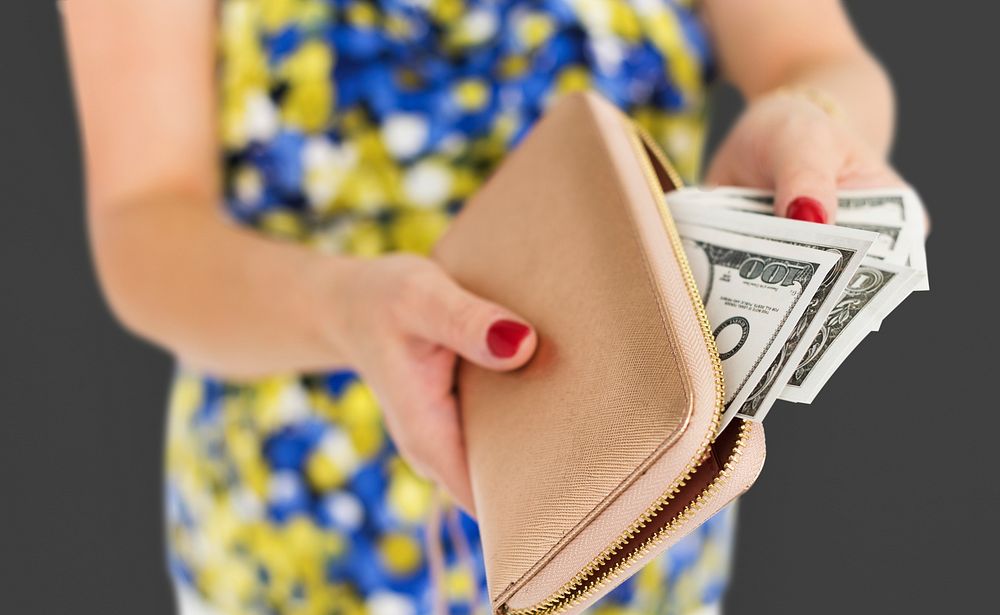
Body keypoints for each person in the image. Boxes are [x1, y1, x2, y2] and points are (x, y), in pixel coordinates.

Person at [62, 1, 901, 613]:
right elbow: (142, 222)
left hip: (624, 515)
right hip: (291, 533)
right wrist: (342, 308)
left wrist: (815, 120)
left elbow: (818, 55)